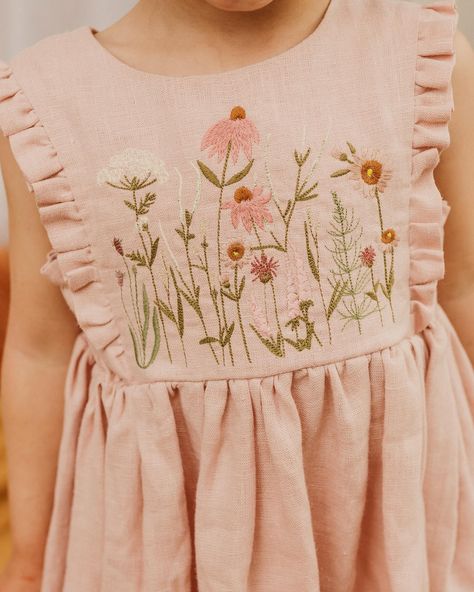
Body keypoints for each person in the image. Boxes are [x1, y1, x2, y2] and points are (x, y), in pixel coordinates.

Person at [0, 0, 473, 590]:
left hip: (388, 521)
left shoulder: (421, 55)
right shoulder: (50, 105)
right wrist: (29, 558)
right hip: (169, 538)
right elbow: (38, 351)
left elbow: (463, 292)